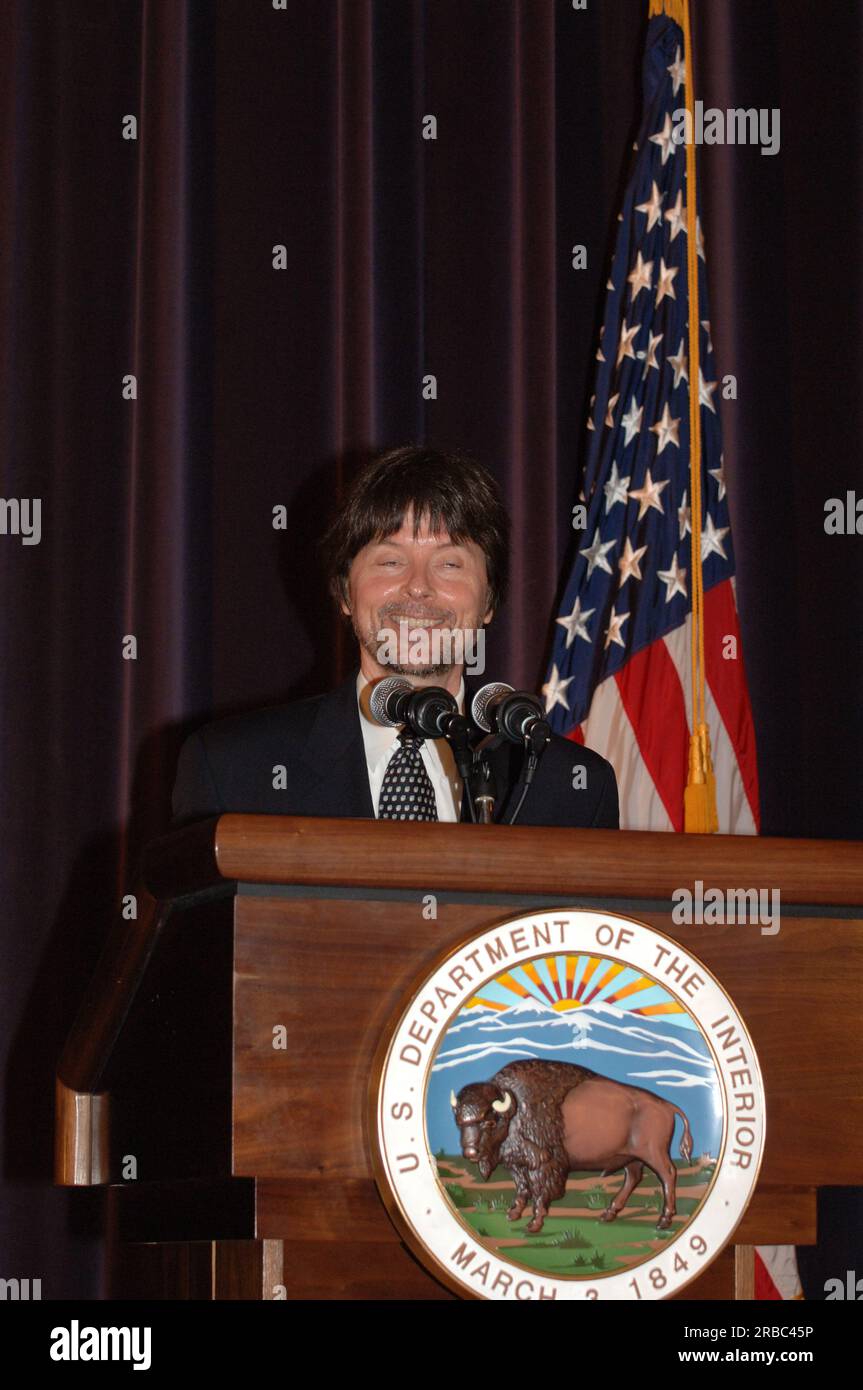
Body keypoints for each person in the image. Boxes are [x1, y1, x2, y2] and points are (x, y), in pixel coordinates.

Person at [171, 445, 619, 828]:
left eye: (450, 563)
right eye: (389, 560)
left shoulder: (571, 786)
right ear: (345, 592)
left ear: (489, 602)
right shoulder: (233, 770)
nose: (418, 586)